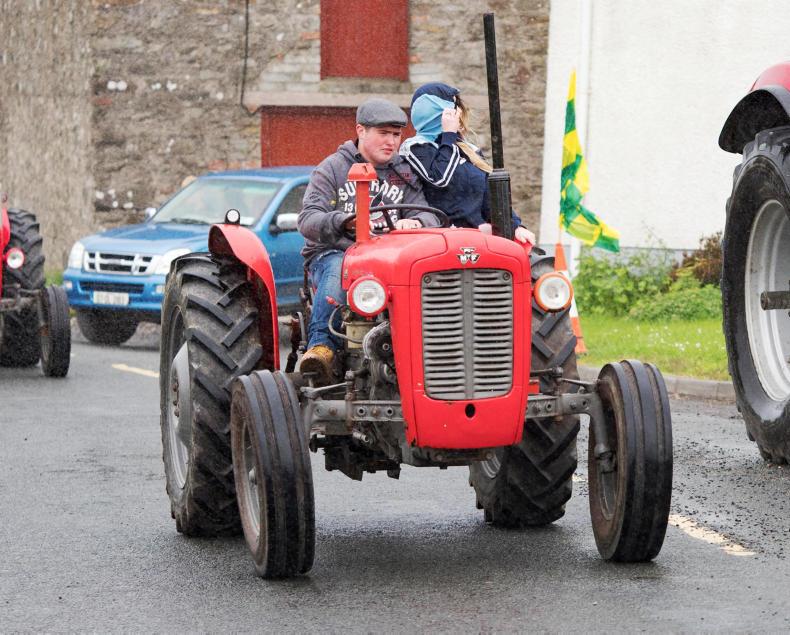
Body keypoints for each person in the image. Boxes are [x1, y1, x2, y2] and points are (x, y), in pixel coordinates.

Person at [297, 97, 442, 382]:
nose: (391, 141)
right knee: (340, 266)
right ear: (361, 131)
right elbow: (308, 219)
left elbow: (430, 217)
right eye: (383, 133)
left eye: (396, 134)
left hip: (390, 262)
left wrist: (417, 221)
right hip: (337, 254)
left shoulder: (404, 173)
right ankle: (322, 347)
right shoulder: (333, 169)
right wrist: (342, 221)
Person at [399, 82, 536, 244]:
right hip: (439, 241)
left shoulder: (470, 150)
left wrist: (516, 226)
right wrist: (448, 136)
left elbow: (489, 199)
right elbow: (440, 178)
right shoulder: (415, 147)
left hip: (478, 239)